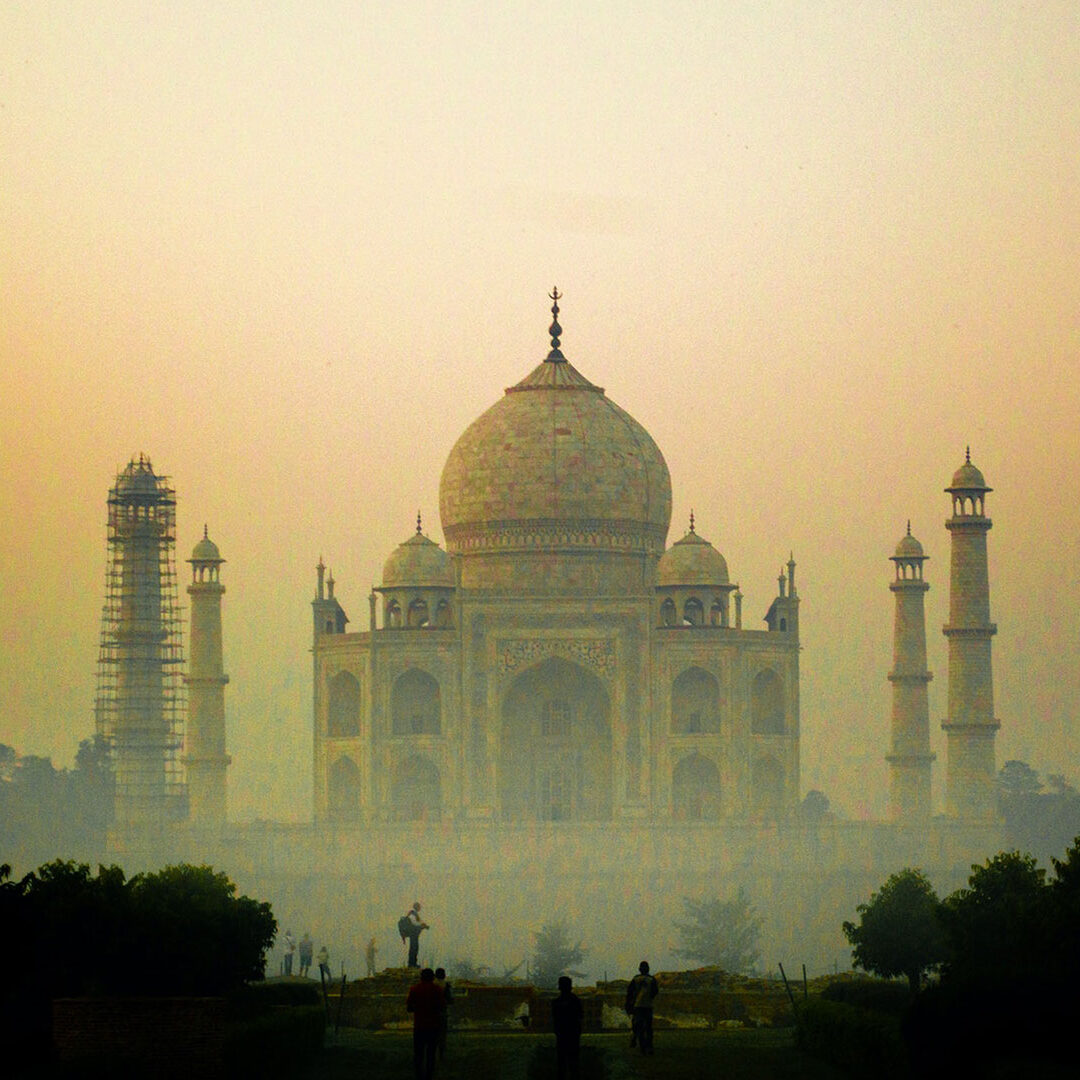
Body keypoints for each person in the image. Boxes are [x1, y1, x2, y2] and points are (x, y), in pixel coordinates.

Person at [406, 967, 445, 1080]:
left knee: (418, 1053)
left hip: (419, 1026)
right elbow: (442, 1006)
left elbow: (409, 1008)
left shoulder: (414, 989)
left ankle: (419, 1075)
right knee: (431, 1053)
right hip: (433, 1026)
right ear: (433, 977)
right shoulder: (437, 990)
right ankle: (429, 1075)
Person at [551, 975, 584, 1080]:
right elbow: (581, 1015)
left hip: (562, 1033)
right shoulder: (575, 1000)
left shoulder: (556, 1002)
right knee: (574, 1060)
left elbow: (555, 1018)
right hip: (573, 1033)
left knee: (561, 1061)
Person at [624, 960, 659, 1055]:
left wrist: (629, 1004)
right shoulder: (651, 979)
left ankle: (640, 1044)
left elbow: (630, 993)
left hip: (637, 1006)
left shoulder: (635, 979)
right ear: (648, 969)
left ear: (639, 969)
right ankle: (649, 1046)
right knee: (648, 1027)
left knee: (638, 1026)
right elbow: (655, 992)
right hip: (648, 1005)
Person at [400, 901, 429, 968]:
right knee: (414, 948)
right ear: (416, 907)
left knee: (414, 948)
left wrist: (422, 925)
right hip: (413, 934)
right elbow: (414, 923)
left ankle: (413, 963)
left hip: (413, 934)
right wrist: (422, 925)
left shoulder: (413, 914)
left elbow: (416, 922)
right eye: (419, 907)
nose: (420, 908)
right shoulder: (412, 914)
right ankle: (412, 963)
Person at [433, 967, 453, 1060]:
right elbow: (450, 1000)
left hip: (431, 1013)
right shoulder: (446, 985)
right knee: (442, 1035)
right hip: (441, 1012)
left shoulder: (431, 985)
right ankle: (441, 1054)